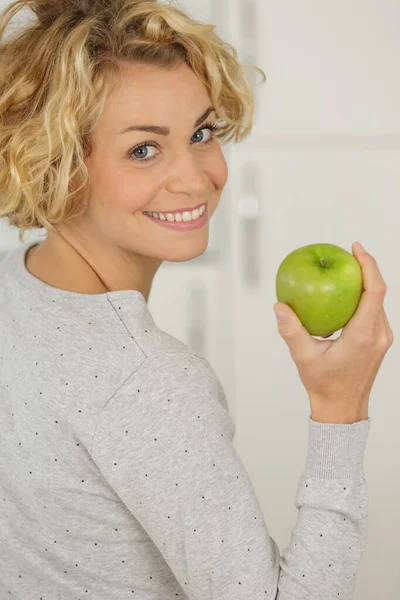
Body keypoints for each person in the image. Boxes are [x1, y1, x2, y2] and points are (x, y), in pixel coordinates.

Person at [0, 1, 394, 599]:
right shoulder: (147, 381)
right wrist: (340, 406)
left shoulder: (12, 285)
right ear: (54, 165)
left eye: (201, 133)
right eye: (143, 149)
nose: (197, 177)